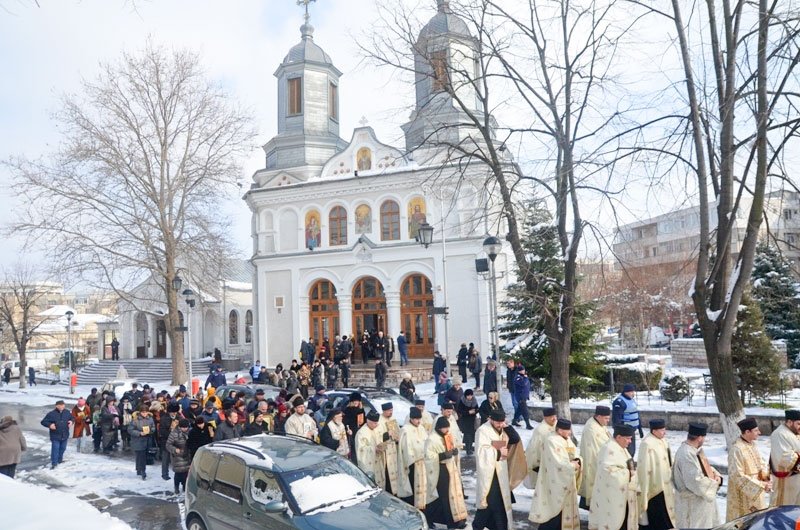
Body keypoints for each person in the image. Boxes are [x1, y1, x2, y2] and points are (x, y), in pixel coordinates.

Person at [530, 418, 582, 530]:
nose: (570, 433)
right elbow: (557, 463)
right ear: (559, 430)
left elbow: (574, 452)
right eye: (567, 430)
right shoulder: (551, 440)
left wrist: (578, 460)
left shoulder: (566, 439)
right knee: (553, 513)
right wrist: (572, 465)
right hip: (554, 482)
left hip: (567, 481)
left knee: (562, 513)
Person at [589, 425, 638, 530]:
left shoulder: (620, 447)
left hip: (622, 495)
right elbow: (608, 472)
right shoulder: (609, 448)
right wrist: (629, 473)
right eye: (628, 438)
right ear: (619, 437)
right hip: (611, 497)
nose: (630, 441)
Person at [672, 422, 721, 528]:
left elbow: (704, 468)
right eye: (704, 437)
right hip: (692, 506)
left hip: (697, 504)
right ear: (699, 438)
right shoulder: (687, 454)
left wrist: (716, 474)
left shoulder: (691, 450)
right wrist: (715, 483)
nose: (704, 440)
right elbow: (695, 481)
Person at [424, 416, 468, 529]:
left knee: (455, 495)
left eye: (448, 428)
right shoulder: (432, 439)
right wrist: (443, 455)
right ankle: (450, 522)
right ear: (439, 428)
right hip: (441, 470)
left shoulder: (447, 436)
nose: (447, 430)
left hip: (450, 468)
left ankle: (458, 518)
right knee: (445, 497)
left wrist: (454, 451)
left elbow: (452, 446)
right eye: (445, 428)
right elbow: (428, 457)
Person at [473, 410, 514, 530]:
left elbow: (515, 439)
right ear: (490, 419)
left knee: (499, 503)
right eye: (498, 422)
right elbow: (481, 452)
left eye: (502, 422)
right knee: (491, 503)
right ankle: (478, 526)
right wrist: (498, 452)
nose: (500, 425)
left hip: (501, 471)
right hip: (489, 473)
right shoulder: (482, 431)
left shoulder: (502, 428)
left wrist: (508, 427)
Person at [727, 417, 770, 521]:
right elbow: (737, 476)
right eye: (756, 430)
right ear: (747, 432)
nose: (759, 432)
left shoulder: (752, 444)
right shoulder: (736, 449)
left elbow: (761, 463)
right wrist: (761, 485)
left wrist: (766, 479)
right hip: (743, 496)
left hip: (758, 492)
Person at [637, 419, 676, 530]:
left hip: (666, 483)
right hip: (654, 486)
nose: (665, 432)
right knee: (657, 515)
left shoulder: (663, 441)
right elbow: (644, 467)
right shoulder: (647, 444)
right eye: (662, 430)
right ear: (654, 431)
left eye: (665, 429)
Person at [578, 405, 611, 509]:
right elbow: (602, 445)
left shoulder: (598, 423)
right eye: (606, 418)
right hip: (593, 461)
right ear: (599, 416)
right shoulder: (592, 428)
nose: (608, 421)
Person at [397, 407, 429, 509]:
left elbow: (427, 442)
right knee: (414, 490)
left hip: (424, 464)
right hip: (413, 465)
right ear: (411, 418)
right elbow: (405, 448)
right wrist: (416, 458)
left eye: (420, 419)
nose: (418, 421)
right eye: (416, 419)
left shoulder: (422, 428)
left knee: (425, 490)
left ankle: (425, 513)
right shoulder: (405, 430)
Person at [770, 409, 800, 506]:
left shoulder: (793, 433)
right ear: (789, 422)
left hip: (795, 481)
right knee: (785, 509)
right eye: (798, 424)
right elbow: (784, 458)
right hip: (785, 483)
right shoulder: (780, 434)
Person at [376, 402, 401, 495]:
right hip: (385, 450)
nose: (391, 412)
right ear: (384, 411)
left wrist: (397, 437)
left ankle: (396, 491)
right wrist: (387, 434)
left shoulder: (393, 418)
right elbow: (377, 436)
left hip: (394, 448)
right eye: (389, 411)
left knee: (395, 469)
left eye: (392, 410)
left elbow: (397, 431)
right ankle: (389, 491)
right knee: (387, 471)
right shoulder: (379, 420)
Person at [41, 400, 73, 469]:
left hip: (65, 434)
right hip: (55, 435)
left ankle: (59, 460)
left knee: (63, 448)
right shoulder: (51, 414)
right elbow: (43, 422)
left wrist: (71, 421)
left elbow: (72, 418)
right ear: (57, 406)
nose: (62, 406)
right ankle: (54, 463)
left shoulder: (67, 412)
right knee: (55, 449)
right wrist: (50, 425)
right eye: (61, 405)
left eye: (63, 405)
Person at [612, 383, 642, 457]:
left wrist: (640, 429)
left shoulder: (632, 400)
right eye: (631, 392)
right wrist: (618, 431)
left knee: (632, 450)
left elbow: (636, 414)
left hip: (632, 429)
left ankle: (630, 462)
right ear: (626, 392)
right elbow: (617, 418)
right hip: (625, 430)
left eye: (633, 391)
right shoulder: (619, 402)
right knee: (627, 450)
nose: (633, 393)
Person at [129, 404, 155, 480]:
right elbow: (130, 430)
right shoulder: (135, 419)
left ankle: (139, 469)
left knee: (143, 456)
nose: (144, 414)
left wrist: (151, 431)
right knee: (140, 456)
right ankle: (142, 471)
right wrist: (139, 433)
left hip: (147, 440)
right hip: (138, 440)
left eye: (146, 412)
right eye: (143, 412)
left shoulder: (150, 419)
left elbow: (153, 427)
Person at [355, 410, 383, 482]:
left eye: (377, 423)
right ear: (368, 421)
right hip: (368, 464)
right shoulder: (362, 433)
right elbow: (361, 450)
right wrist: (374, 449)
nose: (376, 425)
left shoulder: (375, 429)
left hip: (377, 460)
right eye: (375, 423)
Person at [167, 418, 192, 494]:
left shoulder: (190, 432)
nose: (185, 429)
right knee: (178, 473)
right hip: (177, 456)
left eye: (186, 427)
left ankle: (185, 486)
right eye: (183, 427)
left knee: (186, 473)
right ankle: (176, 487)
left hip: (187, 455)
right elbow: (168, 445)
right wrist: (175, 450)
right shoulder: (174, 433)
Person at [159, 402, 182, 480]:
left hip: (176, 442)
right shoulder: (163, 418)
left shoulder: (179, 418)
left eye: (175, 412)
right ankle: (164, 474)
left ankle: (177, 473)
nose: (174, 413)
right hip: (166, 441)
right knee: (165, 458)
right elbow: (162, 431)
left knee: (177, 459)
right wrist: (171, 431)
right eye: (172, 412)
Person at [456, 388, 479, 455]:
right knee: (467, 435)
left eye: (471, 395)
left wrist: (475, 411)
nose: (469, 397)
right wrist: (468, 412)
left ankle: (470, 447)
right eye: (468, 396)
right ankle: (468, 449)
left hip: (472, 420)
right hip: (465, 420)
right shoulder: (462, 401)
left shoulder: (474, 400)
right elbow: (460, 411)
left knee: (472, 434)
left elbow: (477, 408)